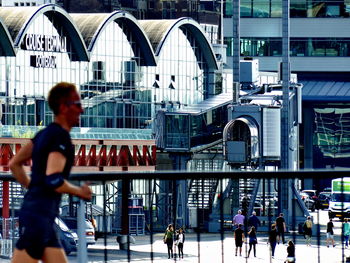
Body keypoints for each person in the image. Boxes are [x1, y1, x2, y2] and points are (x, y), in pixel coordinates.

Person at [9, 82, 92, 263]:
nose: (82, 110)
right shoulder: (59, 137)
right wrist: (80, 192)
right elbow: (53, 179)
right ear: (63, 107)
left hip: (41, 215)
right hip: (39, 217)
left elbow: (14, 164)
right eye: (77, 104)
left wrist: (33, 187)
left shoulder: (44, 134)